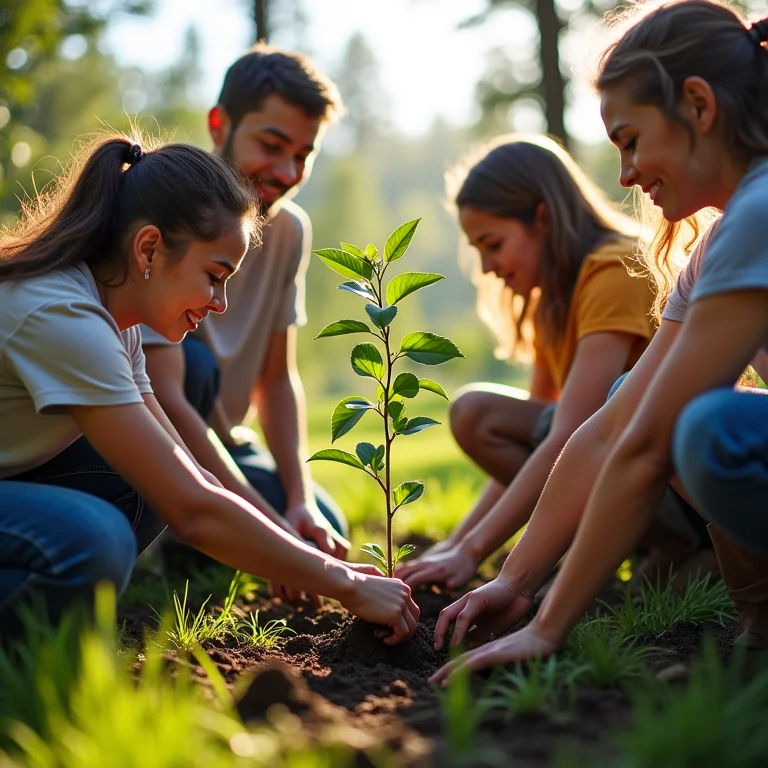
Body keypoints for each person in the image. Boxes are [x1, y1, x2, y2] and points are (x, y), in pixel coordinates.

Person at [429, 0, 768, 684]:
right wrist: (517, 583)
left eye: (631, 140)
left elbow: (645, 444)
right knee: (644, 403)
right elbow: (609, 429)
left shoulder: (759, 211)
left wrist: (548, 625)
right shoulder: (713, 245)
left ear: (698, 107)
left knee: (709, 427)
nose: (626, 173)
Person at [0, 135, 419, 643]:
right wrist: (346, 584)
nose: (220, 302)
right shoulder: (59, 313)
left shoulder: (118, 322)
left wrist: (292, 554)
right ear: (149, 248)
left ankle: (57, 613)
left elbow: (187, 471)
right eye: (214, 276)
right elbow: (192, 511)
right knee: (94, 540)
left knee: (145, 479)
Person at [398, 134, 705, 590]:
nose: (486, 267)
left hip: (684, 490)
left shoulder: (616, 269)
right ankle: (655, 551)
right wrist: (458, 544)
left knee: (490, 414)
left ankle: (690, 547)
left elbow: (566, 432)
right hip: (624, 470)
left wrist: (473, 552)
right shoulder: (555, 297)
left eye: (492, 244)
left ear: (542, 218)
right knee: (482, 416)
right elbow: (536, 449)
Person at [140, 46, 349, 599]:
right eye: (272, 146)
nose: (286, 172)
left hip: (227, 440)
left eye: (303, 156)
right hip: (160, 438)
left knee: (328, 526)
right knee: (197, 364)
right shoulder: (167, 210)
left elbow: (277, 379)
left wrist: (298, 501)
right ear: (220, 124)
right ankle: (179, 535)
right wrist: (274, 536)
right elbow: (166, 399)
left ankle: (220, 536)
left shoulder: (288, 232)